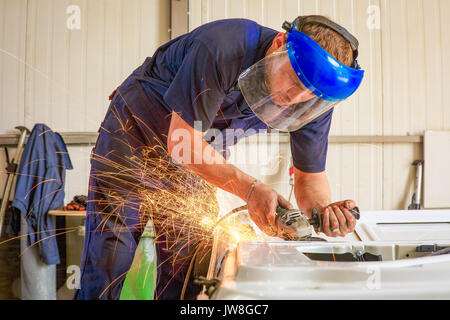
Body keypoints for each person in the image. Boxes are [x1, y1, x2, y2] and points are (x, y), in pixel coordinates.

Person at [74, 15, 364, 300]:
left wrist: (323, 211)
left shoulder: (315, 98)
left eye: (311, 95)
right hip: (134, 140)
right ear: (279, 43)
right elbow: (182, 142)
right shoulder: (224, 46)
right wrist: (250, 190)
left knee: (186, 263)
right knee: (112, 256)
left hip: (198, 160)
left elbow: (310, 178)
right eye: (293, 79)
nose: (296, 98)